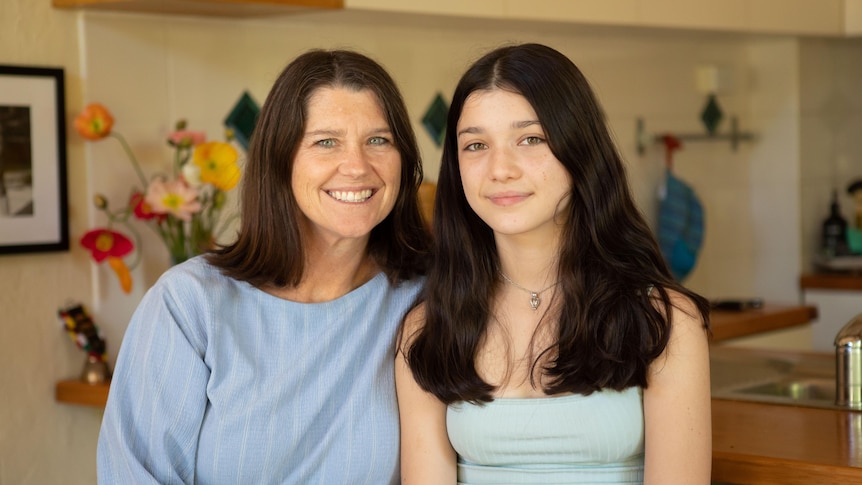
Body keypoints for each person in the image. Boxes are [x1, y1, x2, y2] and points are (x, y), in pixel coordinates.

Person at [97, 49, 430, 484]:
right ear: (280, 159)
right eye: (326, 141)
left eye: (378, 140)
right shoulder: (189, 303)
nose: (357, 166)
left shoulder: (427, 298)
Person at [396, 43, 712, 484]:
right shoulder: (428, 327)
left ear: (578, 150)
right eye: (475, 145)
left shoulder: (665, 319)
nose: (499, 168)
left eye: (531, 139)